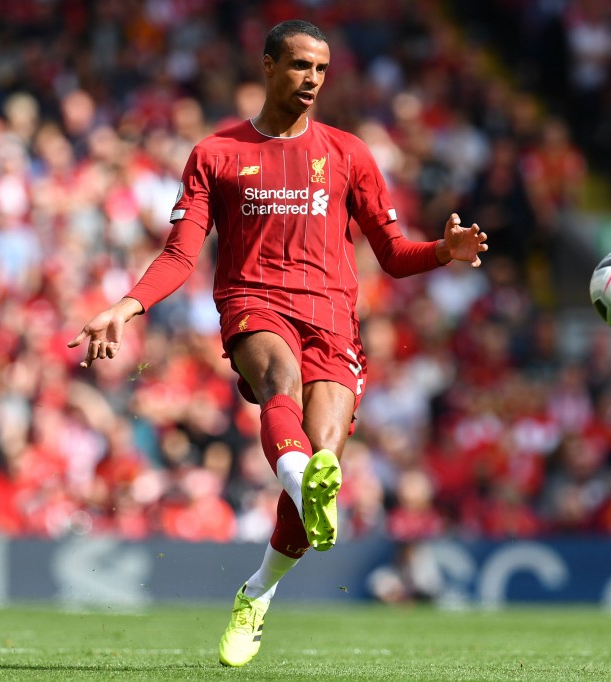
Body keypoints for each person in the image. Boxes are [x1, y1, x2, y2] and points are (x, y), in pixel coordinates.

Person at [68, 19, 488, 668]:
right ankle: (305, 481)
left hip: (333, 320)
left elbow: (395, 256)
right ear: (267, 67)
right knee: (279, 385)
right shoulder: (217, 154)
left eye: (320, 69)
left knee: (322, 452)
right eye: (298, 65)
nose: (311, 79)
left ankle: (257, 590)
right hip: (253, 304)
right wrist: (128, 306)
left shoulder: (349, 153)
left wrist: (445, 251)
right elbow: (182, 253)